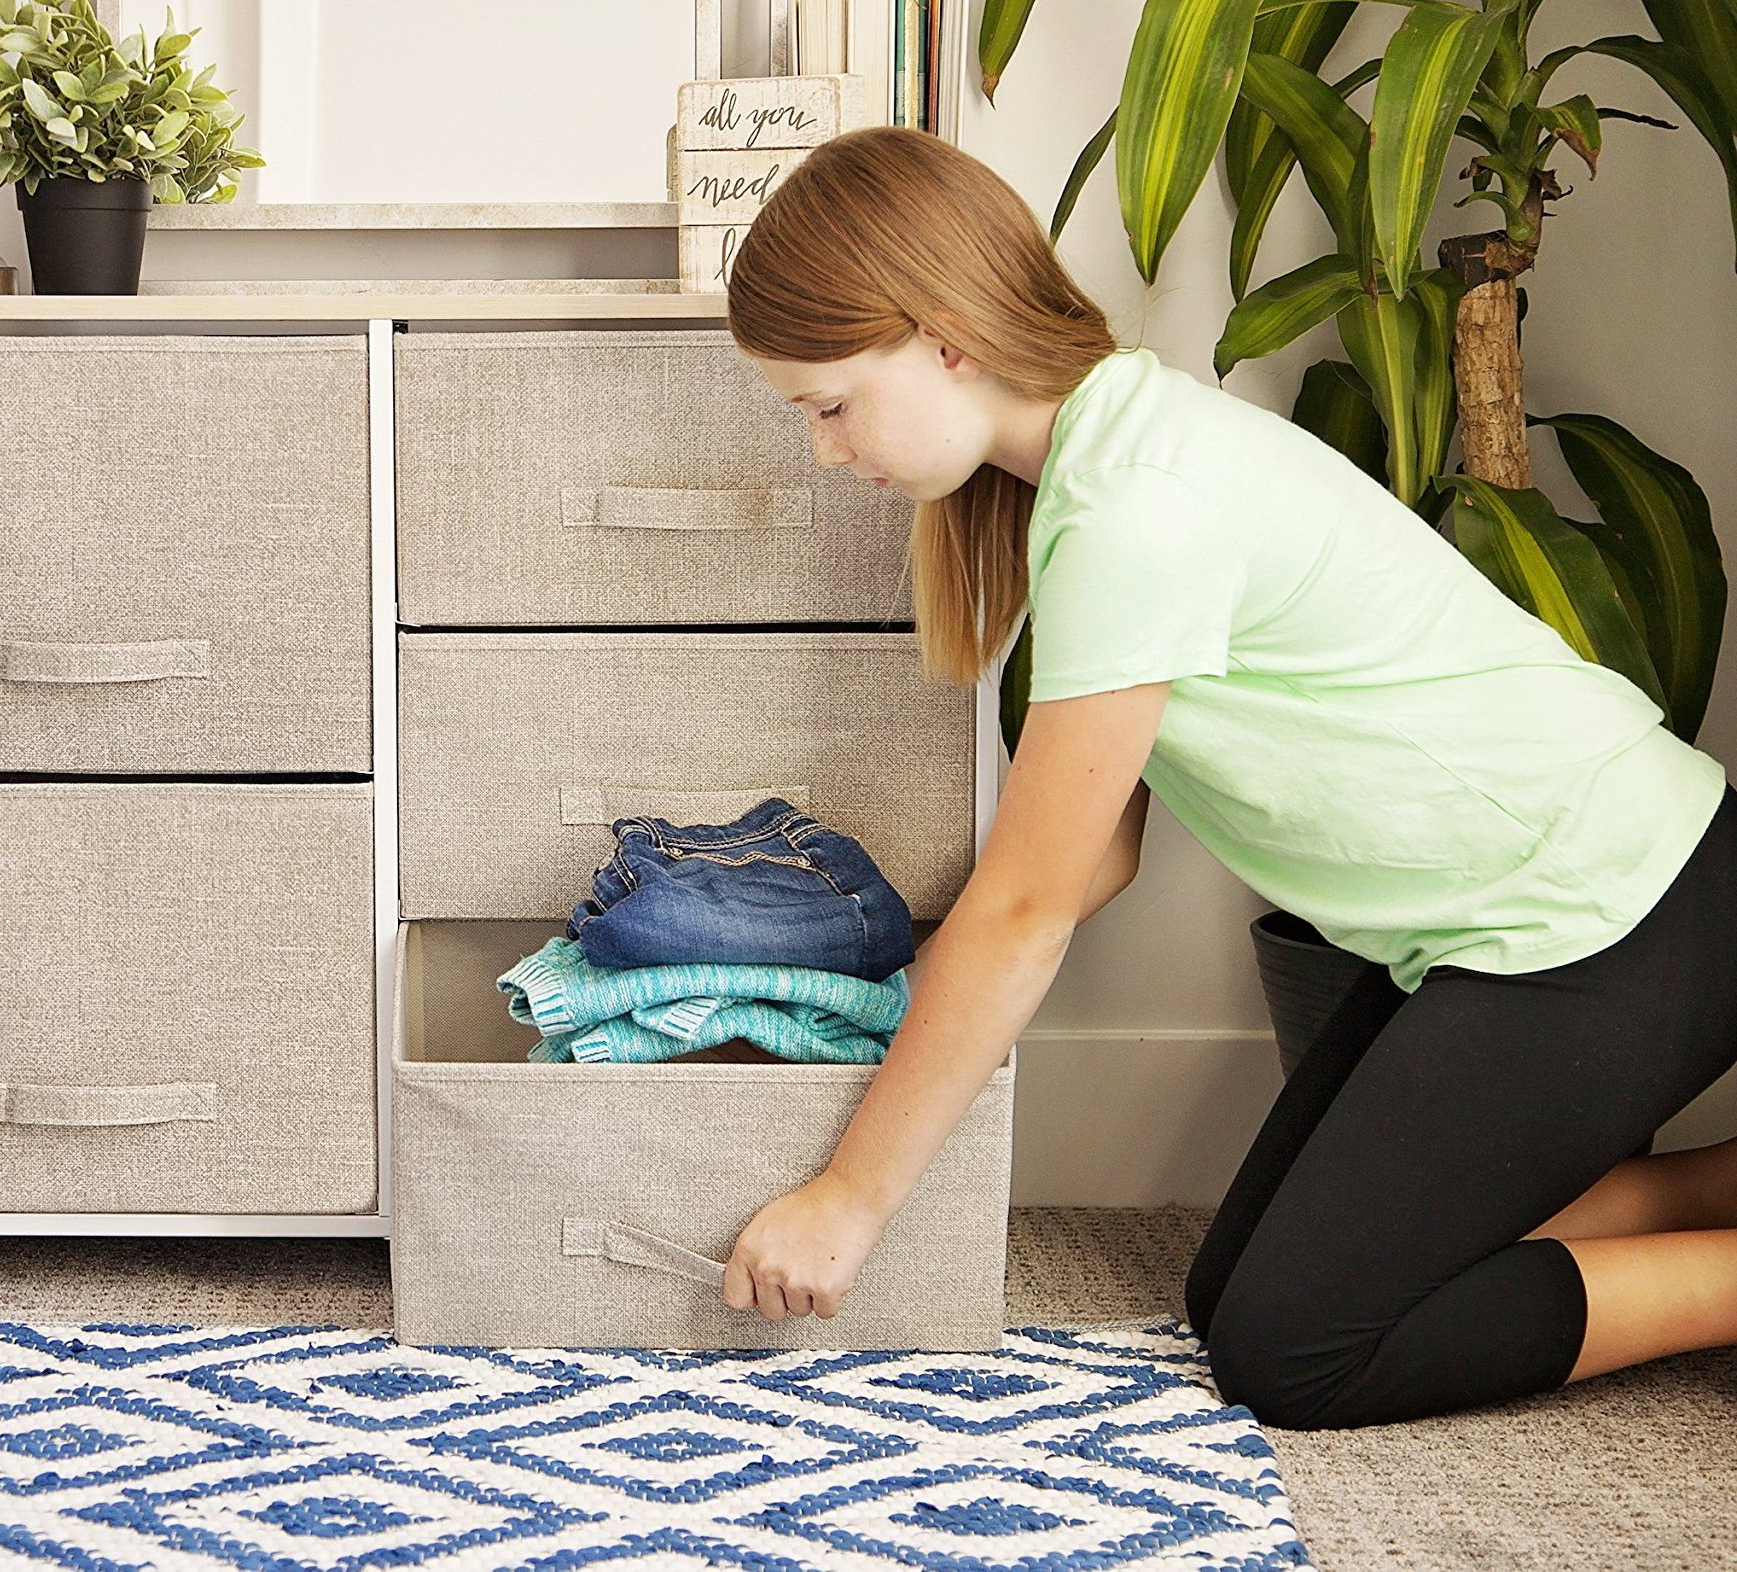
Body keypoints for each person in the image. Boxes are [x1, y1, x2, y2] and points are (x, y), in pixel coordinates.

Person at [712, 124, 1737, 1432]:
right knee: (1230, 1291)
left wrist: (849, 1196)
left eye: (831, 405)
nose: (827, 451)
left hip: (1614, 917)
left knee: (1295, 1347)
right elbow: (1098, 855)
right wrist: (906, 1001)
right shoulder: (1102, 462)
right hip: (1524, 925)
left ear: (945, 338)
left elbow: (1028, 906)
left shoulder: (1134, 507)